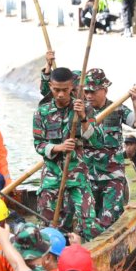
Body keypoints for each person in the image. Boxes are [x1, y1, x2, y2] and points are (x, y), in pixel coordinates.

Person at [33, 67, 102, 240]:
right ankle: (50, 252)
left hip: (76, 173)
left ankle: (89, 251)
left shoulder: (84, 107)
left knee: (88, 218)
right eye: (57, 90)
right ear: (50, 86)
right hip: (52, 174)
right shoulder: (42, 112)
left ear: (72, 87)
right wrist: (59, 148)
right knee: (47, 218)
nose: (61, 94)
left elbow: (94, 141)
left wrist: (83, 117)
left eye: (65, 90)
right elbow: (39, 144)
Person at [83, 68, 136, 228]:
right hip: (89, 176)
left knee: (109, 220)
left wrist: (135, 100)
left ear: (105, 90)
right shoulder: (82, 111)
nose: (89, 95)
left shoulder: (117, 108)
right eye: (86, 91)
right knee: (90, 222)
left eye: (93, 91)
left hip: (113, 176)